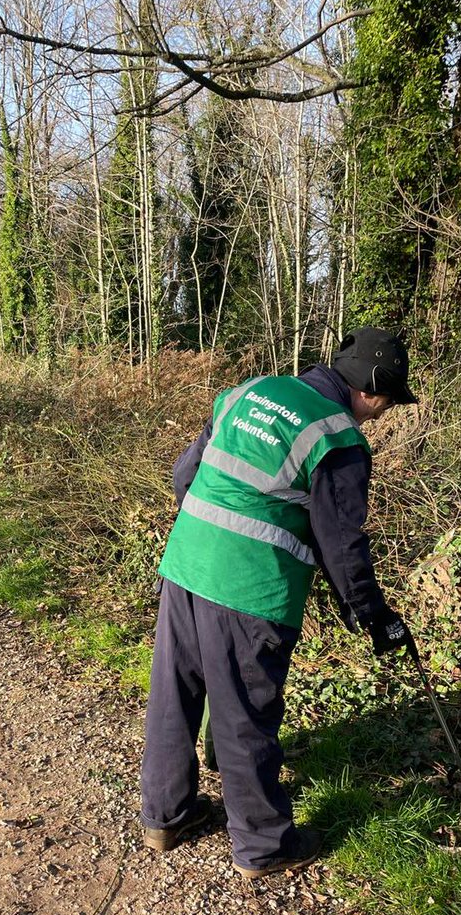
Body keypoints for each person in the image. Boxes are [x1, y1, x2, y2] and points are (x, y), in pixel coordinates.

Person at [140, 327, 418, 878]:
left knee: (175, 693)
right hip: (251, 588)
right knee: (246, 713)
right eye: (388, 403)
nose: (382, 415)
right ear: (373, 391)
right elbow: (342, 546)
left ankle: (166, 817)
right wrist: (375, 617)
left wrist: (208, 536)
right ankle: (264, 844)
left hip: (185, 563)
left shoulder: (250, 390)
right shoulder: (337, 437)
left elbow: (185, 474)